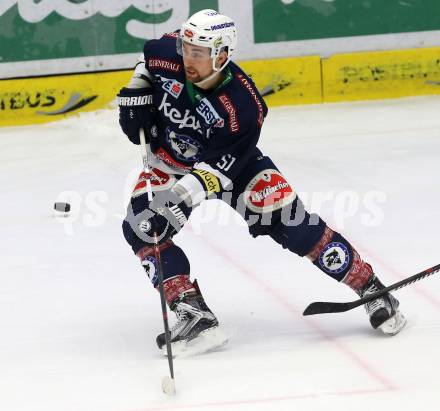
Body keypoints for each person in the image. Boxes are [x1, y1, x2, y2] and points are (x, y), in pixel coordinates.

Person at [117, 9, 406, 356]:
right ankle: (193, 313)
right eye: (186, 48)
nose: (187, 58)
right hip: (170, 161)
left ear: (222, 55)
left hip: (231, 168)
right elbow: (147, 59)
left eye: (198, 53)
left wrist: (179, 198)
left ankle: (371, 287)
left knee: (295, 226)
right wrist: (139, 88)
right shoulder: (171, 54)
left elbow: (216, 170)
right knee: (142, 227)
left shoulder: (243, 104)